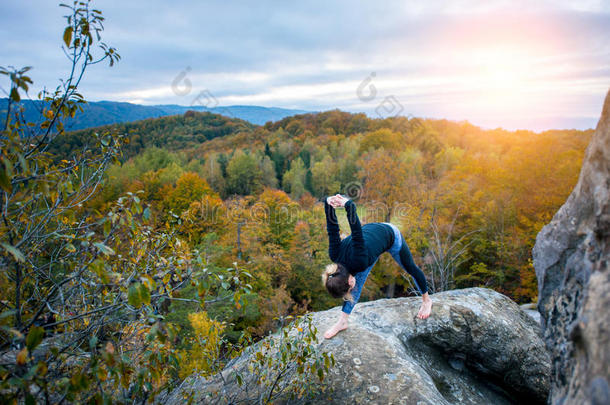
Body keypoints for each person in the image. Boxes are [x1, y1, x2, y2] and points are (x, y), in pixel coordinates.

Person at [321, 193, 432, 339]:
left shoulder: (358, 261)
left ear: (349, 281)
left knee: (411, 267)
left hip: (389, 235)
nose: (351, 289)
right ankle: (342, 322)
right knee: (358, 281)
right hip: (369, 244)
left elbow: (356, 232)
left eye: (349, 288)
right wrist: (328, 204)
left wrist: (348, 205)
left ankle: (427, 300)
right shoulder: (335, 256)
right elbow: (332, 230)